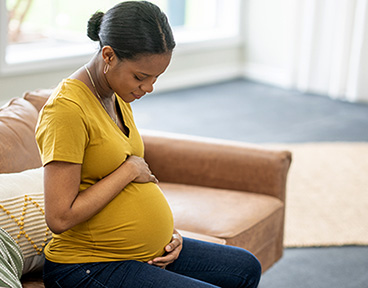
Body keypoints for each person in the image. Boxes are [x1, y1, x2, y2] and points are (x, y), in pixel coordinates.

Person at [35, 1, 261, 287]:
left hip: (137, 253)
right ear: (108, 55)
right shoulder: (66, 110)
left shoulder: (115, 94)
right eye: (141, 77)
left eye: (156, 77)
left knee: (245, 268)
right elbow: (59, 216)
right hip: (87, 266)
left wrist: (167, 234)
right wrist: (129, 171)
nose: (150, 88)